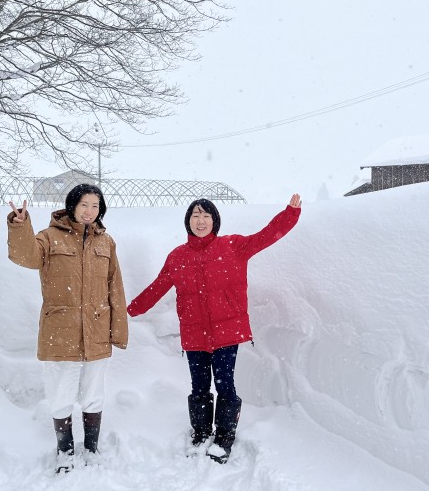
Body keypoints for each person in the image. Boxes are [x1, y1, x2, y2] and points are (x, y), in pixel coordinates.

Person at [127, 194, 302, 464]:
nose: (200, 221)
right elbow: (156, 288)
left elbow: (266, 236)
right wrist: (128, 310)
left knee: (225, 385)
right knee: (199, 387)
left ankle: (224, 437)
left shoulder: (233, 246)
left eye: (206, 216)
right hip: (194, 333)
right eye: (195, 216)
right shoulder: (177, 257)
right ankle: (200, 432)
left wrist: (289, 214)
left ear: (214, 221)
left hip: (226, 332)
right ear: (188, 221)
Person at [7, 184, 128, 473]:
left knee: (93, 394)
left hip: (97, 333)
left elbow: (116, 288)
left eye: (95, 206)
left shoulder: (106, 242)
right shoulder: (50, 238)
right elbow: (26, 257)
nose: (89, 211)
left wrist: (118, 331)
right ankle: (65, 451)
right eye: (84, 204)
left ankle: (91, 448)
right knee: (61, 395)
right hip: (60, 332)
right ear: (72, 205)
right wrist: (21, 226)